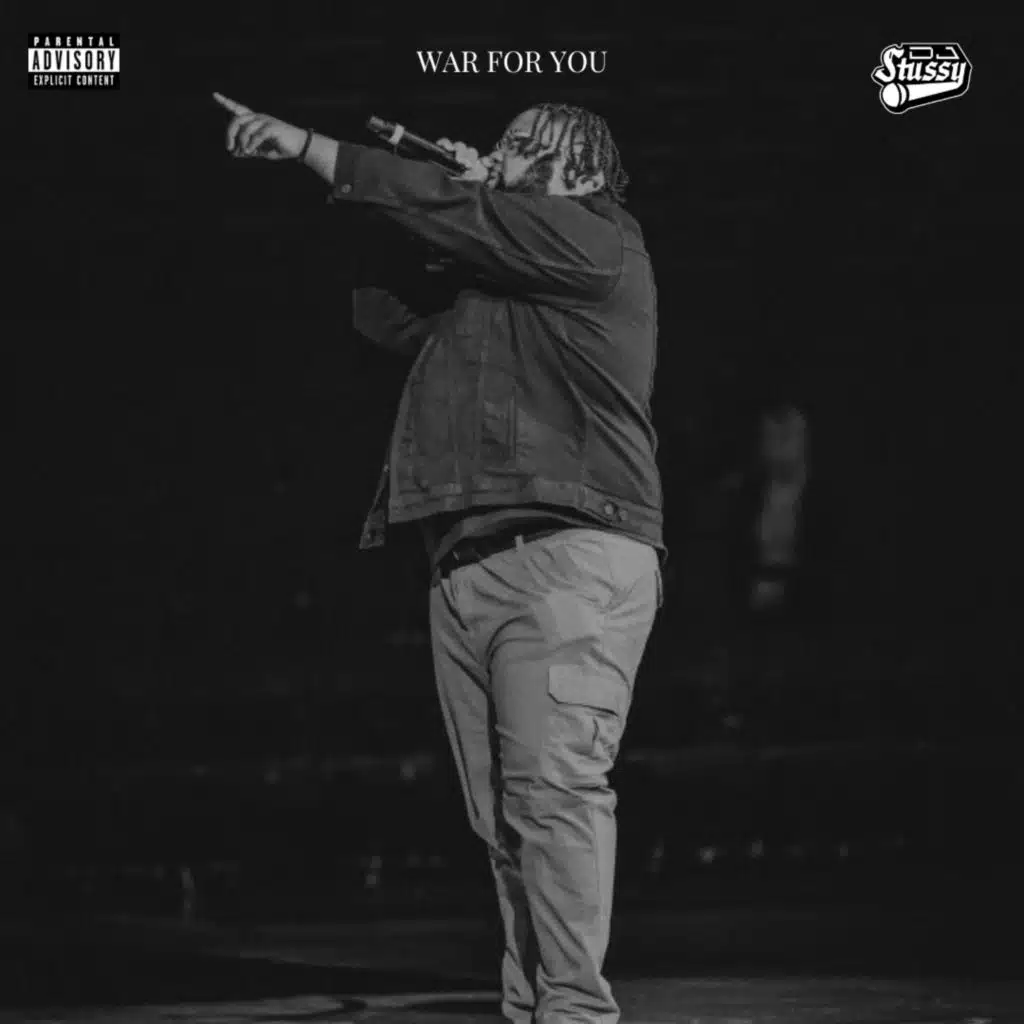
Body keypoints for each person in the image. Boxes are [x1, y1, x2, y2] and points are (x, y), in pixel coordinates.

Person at [214, 92, 664, 1024]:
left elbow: (466, 215)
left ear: (582, 172)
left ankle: (577, 1015)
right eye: (501, 143)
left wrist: (316, 147)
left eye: (527, 148)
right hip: (466, 568)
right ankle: (532, 1009)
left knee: (553, 795)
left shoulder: (598, 241)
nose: (502, 154)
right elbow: (380, 313)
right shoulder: (485, 294)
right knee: (502, 821)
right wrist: (415, 199)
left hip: (568, 555)